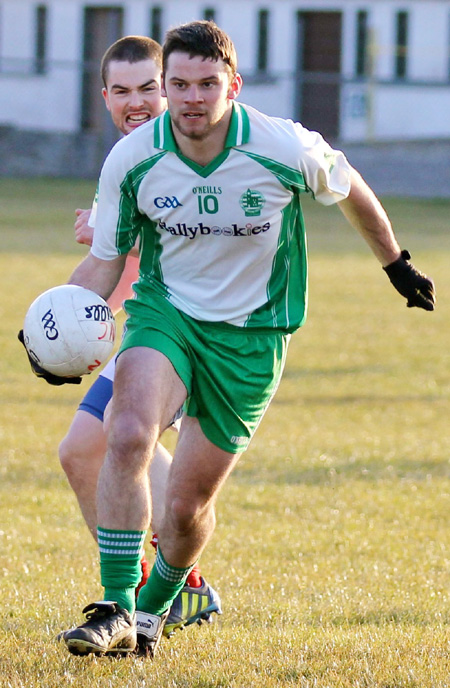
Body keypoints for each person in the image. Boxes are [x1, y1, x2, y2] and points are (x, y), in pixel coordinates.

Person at [54, 20, 435, 658]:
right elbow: (104, 261)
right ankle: (115, 605)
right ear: (167, 87)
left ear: (232, 84)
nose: (193, 98)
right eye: (180, 84)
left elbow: (351, 189)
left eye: (207, 84)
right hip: (166, 317)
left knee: (184, 509)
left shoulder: (281, 146)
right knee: (125, 433)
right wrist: (59, 328)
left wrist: (395, 263)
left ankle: (156, 610)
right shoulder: (132, 156)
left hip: (253, 339)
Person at [54, 35, 221, 638]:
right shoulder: (124, 158)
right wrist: (50, 327)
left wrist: (113, 229)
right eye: (122, 92)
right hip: (141, 329)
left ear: (171, 88)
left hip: (191, 333)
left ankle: (167, 588)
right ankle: (163, 584)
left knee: (121, 442)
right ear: (105, 98)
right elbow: (111, 250)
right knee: (83, 451)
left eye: (149, 87)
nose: (137, 102)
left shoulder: (192, 145)